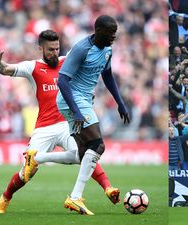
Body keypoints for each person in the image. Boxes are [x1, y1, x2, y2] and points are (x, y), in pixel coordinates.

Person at [0, 30, 119, 214]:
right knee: (28, 173)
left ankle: (108, 188)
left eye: (57, 48)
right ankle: (5, 197)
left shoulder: (68, 61)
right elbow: (4, 69)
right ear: (40, 48)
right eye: (50, 49)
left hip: (67, 123)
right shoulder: (32, 67)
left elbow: (87, 79)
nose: (54, 53)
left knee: (86, 152)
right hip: (44, 127)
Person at [52, 15, 130, 215]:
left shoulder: (107, 50)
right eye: (111, 33)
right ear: (99, 31)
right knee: (98, 145)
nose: (114, 37)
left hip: (84, 100)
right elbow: (62, 80)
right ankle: (75, 197)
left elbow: (108, 76)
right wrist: (76, 111)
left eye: (115, 33)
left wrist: (120, 103)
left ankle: (37, 158)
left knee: (82, 152)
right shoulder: (81, 48)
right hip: (72, 99)